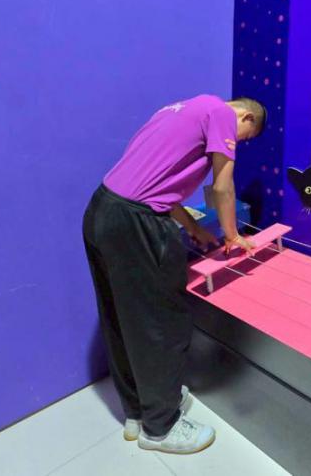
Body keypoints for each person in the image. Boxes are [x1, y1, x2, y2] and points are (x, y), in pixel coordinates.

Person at [82, 95, 266, 454]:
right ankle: (161, 426)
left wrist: (193, 228)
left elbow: (159, 186)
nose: (237, 142)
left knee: (122, 318)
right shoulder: (221, 113)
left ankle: (138, 411)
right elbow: (222, 186)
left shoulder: (179, 110)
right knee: (162, 323)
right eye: (245, 137)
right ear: (246, 117)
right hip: (137, 225)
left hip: (102, 210)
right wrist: (232, 236)